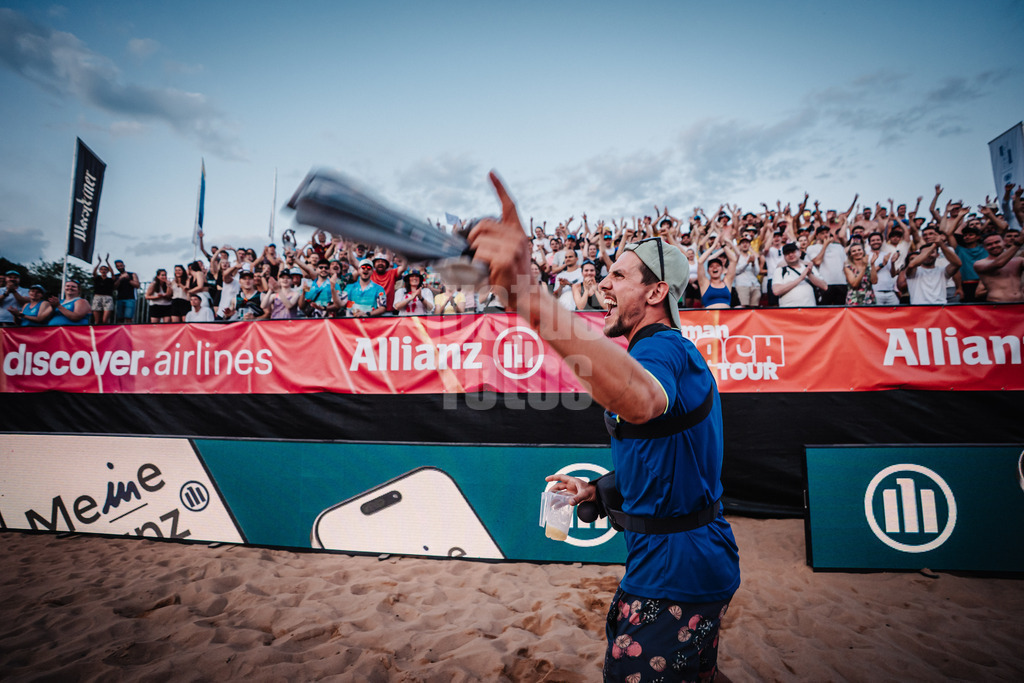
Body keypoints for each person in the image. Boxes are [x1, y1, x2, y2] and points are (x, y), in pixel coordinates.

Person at [468, 173, 739, 683]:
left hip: (674, 573)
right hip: (686, 563)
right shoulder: (657, 351)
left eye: (618, 276)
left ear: (657, 290)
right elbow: (675, 455)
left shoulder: (661, 347)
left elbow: (640, 403)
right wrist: (600, 488)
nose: (603, 285)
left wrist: (531, 298)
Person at [904, 241, 962, 305]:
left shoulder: (943, 271)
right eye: (925, 253)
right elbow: (911, 265)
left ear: (937, 255)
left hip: (940, 308)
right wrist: (933, 246)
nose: (928, 255)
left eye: (932, 252)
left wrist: (942, 245)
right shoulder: (914, 271)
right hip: (919, 308)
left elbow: (958, 264)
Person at [973, 232, 1024, 302]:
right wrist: (1018, 243)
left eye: (997, 242)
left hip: (1020, 305)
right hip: (997, 305)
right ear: (984, 247)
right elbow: (999, 263)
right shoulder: (979, 264)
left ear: (1004, 242)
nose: (994, 246)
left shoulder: (1019, 260)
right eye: (989, 244)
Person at [772, 242, 827, 307]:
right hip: (788, 310)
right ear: (784, 257)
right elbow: (776, 291)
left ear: (800, 253)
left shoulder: (809, 267)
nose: (790, 255)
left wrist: (809, 274)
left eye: (793, 252)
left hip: (809, 309)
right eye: (787, 253)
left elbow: (824, 286)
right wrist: (800, 278)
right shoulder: (780, 270)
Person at [91, 255, 116, 325]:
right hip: (97, 297)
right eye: (101, 269)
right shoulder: (97, 278)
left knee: (105, 320)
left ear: (107, 271)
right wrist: (99, 262)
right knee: (97, 321)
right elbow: (94, 272)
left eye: (105, 269)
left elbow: (113, 274)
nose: (103, 270)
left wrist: (107, 261)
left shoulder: (110, 279)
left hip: (108, 298)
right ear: (99, 271)